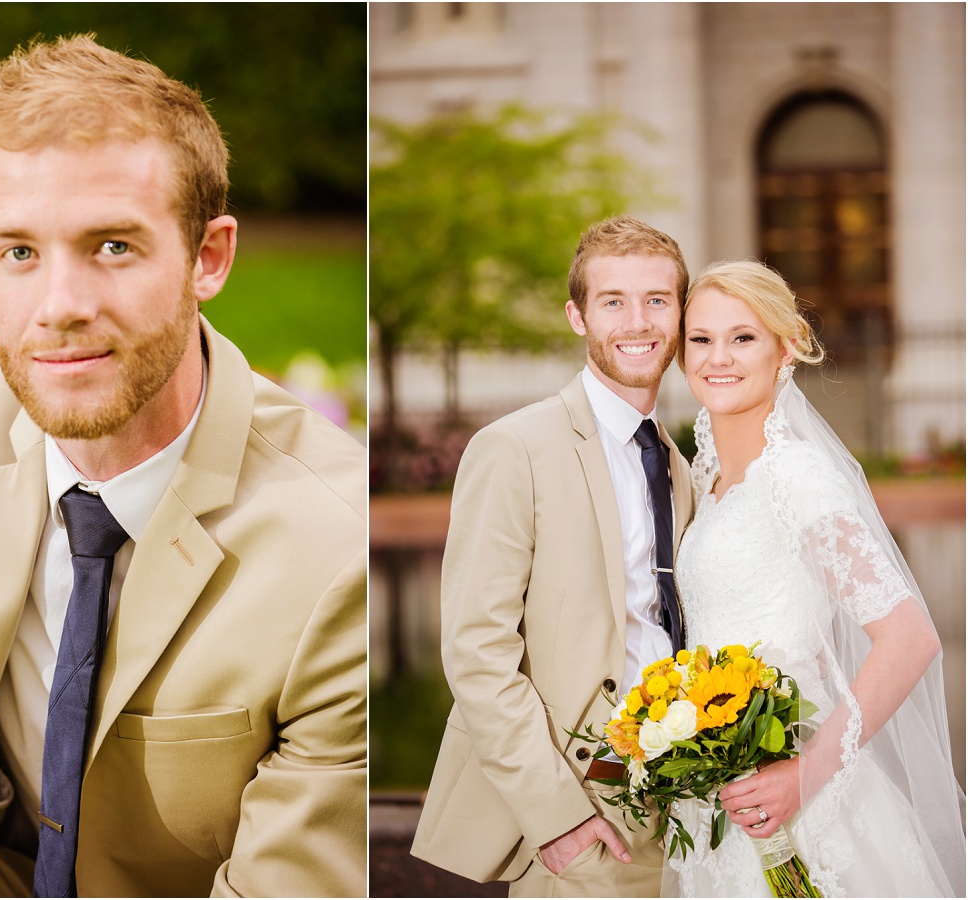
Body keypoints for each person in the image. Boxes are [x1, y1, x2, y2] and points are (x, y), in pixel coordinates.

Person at [0, 35, 367, 898]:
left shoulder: (335, 551)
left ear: (209, 257)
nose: (60, 308)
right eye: (20, 252)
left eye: (113, 247)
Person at [411, 215, 695, 896]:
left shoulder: (678, 464)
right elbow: (477, 653)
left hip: (683, 795)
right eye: (613, 301)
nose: (639, 321)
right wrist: (558, 816)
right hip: (582, 802)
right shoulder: (515, 449)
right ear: (577, 316)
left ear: (680, 314)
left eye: (658, 300)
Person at [668, 259, 965, 896]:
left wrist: (805, 773)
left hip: (802, 789)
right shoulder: (709, 478)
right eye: (701, 339)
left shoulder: (796, 478)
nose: (718, 356)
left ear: (788, 349)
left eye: (743, 337)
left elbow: (910, 638)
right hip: (721, 791)